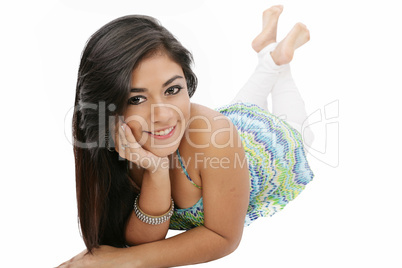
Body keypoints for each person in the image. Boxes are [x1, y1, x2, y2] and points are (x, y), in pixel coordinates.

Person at [59, 5, 314, 267]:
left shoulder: (216, 137)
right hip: (226, 128)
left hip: (269, 151)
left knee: (297, 127)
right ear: (106, 107)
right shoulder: (118, 146)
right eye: (136, 98)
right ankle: (269, 56)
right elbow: (142, 240)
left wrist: (121, 262)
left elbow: (223, 236)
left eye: (172, 89)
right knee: (238, 111)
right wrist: (156, 172)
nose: (164, 115)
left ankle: (278, 62)